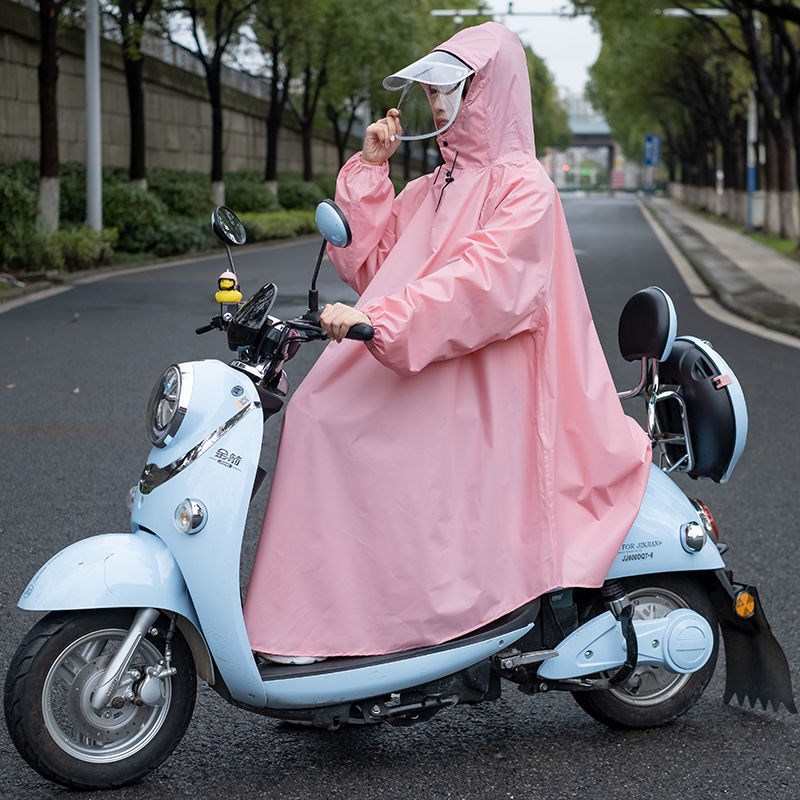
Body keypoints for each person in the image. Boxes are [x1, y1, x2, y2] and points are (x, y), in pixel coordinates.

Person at [243, 21, 651, 663]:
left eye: (451, 87)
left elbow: (484, 286)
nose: (436, 102)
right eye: (431, 90)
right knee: (318, 412)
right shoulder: (435, 186)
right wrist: (369, 171)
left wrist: (384, 322)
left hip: (493, 382)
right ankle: (334, 623)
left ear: (491, 89)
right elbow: (373, 265)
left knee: (334, 422)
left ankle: (371, 625)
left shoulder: (526, 188)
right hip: (432, 355)